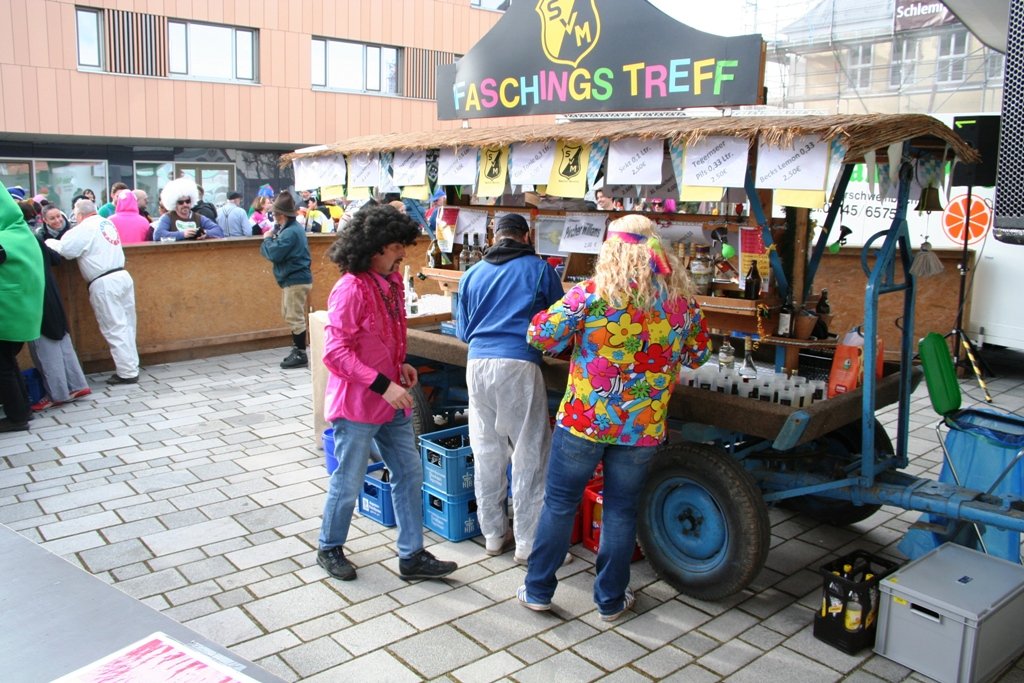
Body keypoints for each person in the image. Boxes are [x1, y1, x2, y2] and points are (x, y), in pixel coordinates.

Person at [517, 214, 711, 621]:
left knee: (559, 504)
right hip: (642, 427)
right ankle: (610, 601)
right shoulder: (681, 303)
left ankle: (537, 591)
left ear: (611, 250)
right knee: (622, 511)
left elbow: (539, 335)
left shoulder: (591, 293)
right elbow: (699, 354)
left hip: (584, 420)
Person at [317, 204, 457, 582]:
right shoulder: (350, 288)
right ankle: (329, 546)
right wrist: (384, 383)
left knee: (409, 474)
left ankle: (412, 555)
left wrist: (401, 365)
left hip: (392, 400)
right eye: (396, 247)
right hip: (358, 405)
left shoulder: (391, 282)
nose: (402, 254)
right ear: (374, 247)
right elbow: (335, 353)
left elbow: (385, 337)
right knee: (348, 480)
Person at [456, 213, 564, 562]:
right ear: (526, 235)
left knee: (487, 451)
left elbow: (462, 332)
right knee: (529, 453)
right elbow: (559, 328)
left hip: (477, 365)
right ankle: (529, 543)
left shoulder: (471, 274)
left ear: (495, 235)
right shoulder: (541, 270)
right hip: (519, 365)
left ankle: (493, 535)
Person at [45, 198, 140, 384]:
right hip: (121, 276)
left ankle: (127, 372)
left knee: (114, 328)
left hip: (104, 282)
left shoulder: (85, 228)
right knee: (128, 325)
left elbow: (66, 250)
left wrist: (49, 242)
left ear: (79, 215)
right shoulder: (106, 223)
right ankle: (131, 366)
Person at [28, 204, 91, 411]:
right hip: (51, 292)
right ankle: (77, 385)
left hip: (35, 296)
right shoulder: (34, 236)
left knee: (44, 346)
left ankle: (57, 393)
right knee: (62, 339)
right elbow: (55, 259)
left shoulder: (17, 238)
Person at [0, 183, 45, 432]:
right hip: (22, 314)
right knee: (8, 362)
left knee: (3, 366)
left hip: (7, 313)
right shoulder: (21, 233)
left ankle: (17, 416)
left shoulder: (5, 238)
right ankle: (23, 410)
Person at [260, 192, 312, 369]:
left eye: (275, 214)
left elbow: (274, 253)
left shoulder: (290, 232)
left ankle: (300, 353)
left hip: (295, 278)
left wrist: (267, 240)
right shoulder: (292, 229)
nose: (274, 217)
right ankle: (297, 349)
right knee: (289, 313)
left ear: (281, 214)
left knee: (294, 316)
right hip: (295, 278)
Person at [154, 178, 224, 241]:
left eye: (188, 201)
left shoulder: (198, 217)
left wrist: (205, 233)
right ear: (175, 203)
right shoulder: (167, 217)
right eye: (181, 202)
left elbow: (219, 231)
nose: (185, 204)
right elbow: (157, 235)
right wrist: (183, 234)